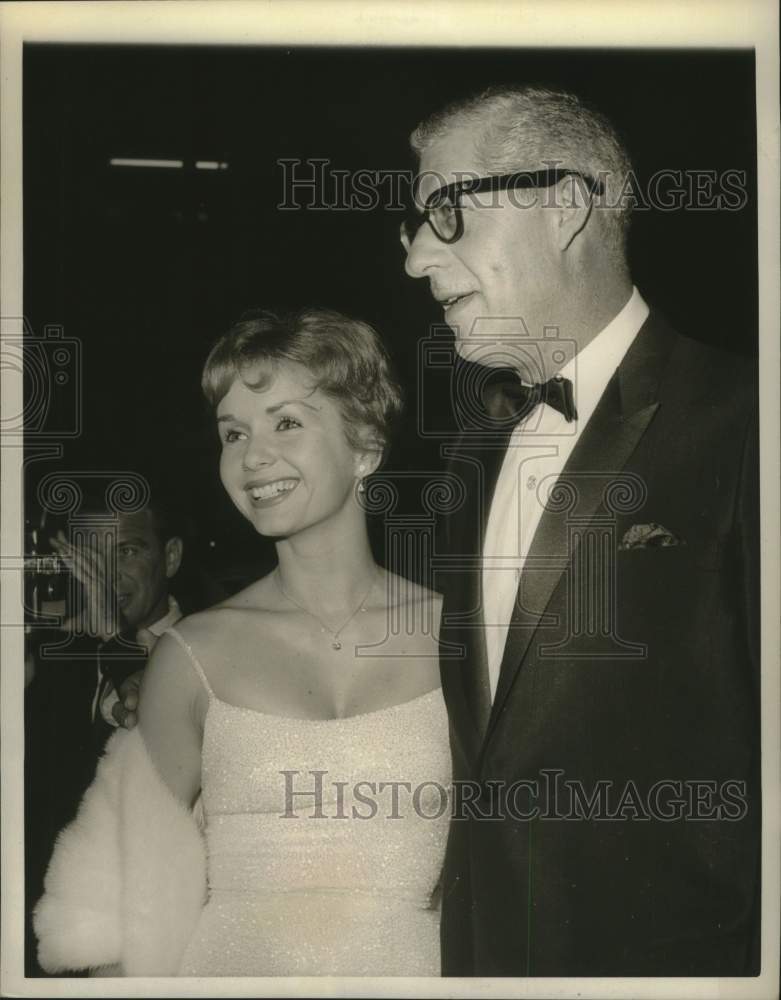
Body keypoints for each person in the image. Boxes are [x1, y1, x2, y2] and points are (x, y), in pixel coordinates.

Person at [401, 86, 760, 976]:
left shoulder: (749, 415)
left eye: (445, 211)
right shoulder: (471, 452)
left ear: (564, 206)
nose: (414, 258)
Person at [34, 308, 451, 977]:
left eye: (286, 421)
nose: (252, 457)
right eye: (233, 433)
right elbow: (120, 915)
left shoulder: (462, 638)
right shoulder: (193, 653)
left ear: (365, 444)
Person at [24, 496, 186, 975]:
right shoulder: (52, 656)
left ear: (171, 557)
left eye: (128, 551)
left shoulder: (216, 648)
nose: (104, 574)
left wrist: (116, 643)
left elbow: (148, 736)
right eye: (88, 555)